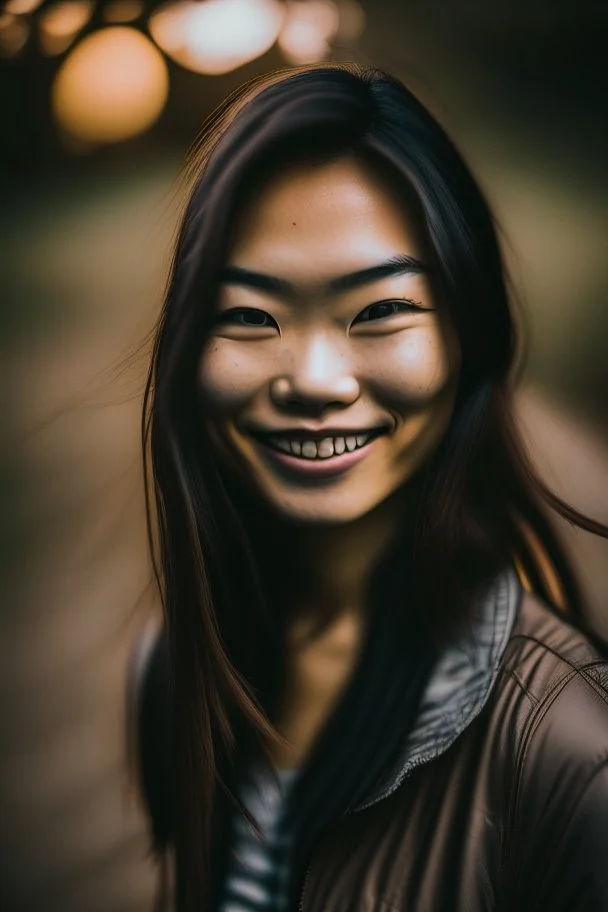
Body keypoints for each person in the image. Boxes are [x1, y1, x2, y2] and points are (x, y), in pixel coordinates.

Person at [130, 63, 608, 912]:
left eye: (380, 310)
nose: (315, 379)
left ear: (470, 337)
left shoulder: (567, 754)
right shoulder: (175, 669)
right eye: (249, 316)